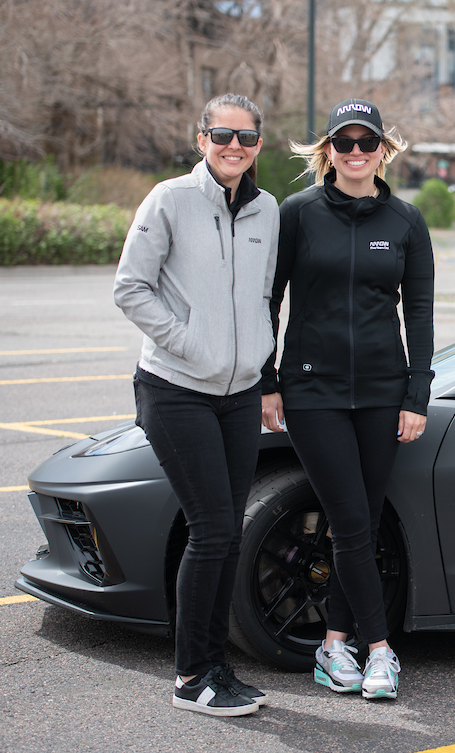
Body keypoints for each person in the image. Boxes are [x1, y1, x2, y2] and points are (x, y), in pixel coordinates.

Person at [260, 99, 434, 701]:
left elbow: (419, 313)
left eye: (368, 143)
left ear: (385, 150)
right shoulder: (298, 213)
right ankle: (381, 650)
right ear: (327, 151)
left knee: (354, 520)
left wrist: (417, 392)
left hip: (384, 393)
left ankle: (334, 646)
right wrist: (268, 379)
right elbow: (269, 300)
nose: (356, 153)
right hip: (313, 391)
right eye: (345, 142)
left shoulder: (407, 220)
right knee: (353, 519)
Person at [114, 94, 278, 717]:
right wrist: (189, 342)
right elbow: (130, 286)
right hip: (176, 388)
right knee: (211, 531)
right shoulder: (169, 200)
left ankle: (215, 667)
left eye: (246, 136)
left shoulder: (267, 210)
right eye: (222, 134)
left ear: (259, 144)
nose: (233, 145)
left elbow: (265, 295)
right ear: (201, 138)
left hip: (237, 395)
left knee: (227, 534)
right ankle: (191, 677)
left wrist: (262, 371)